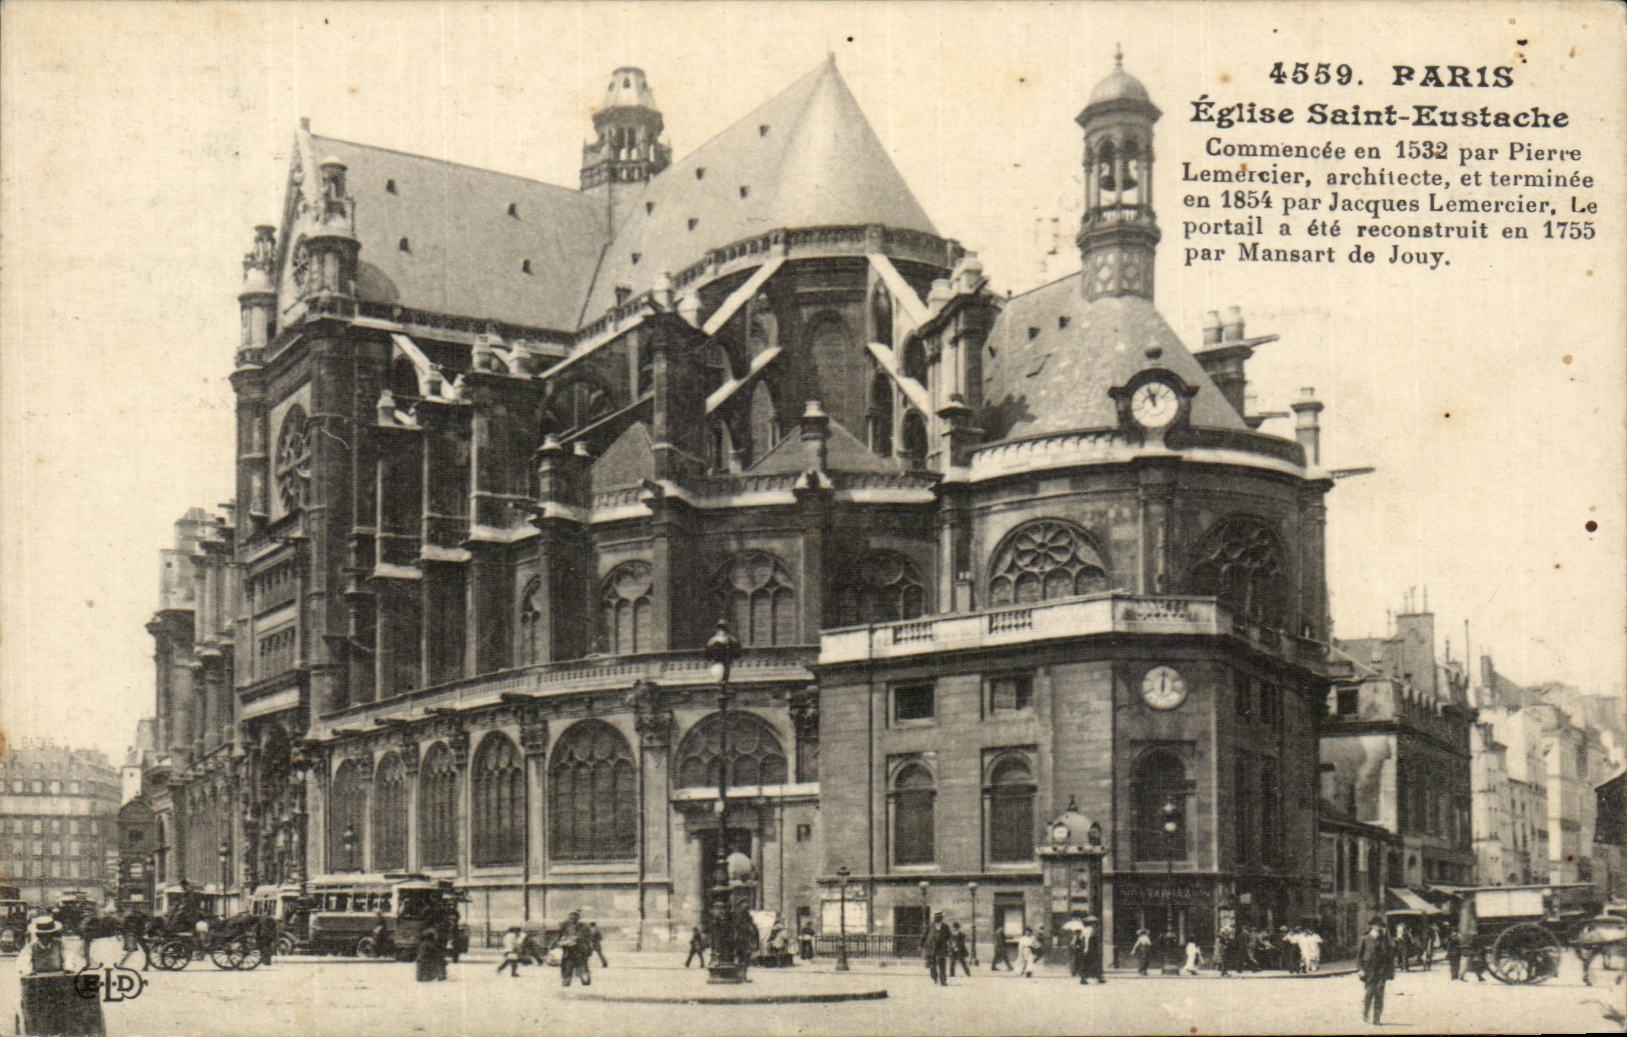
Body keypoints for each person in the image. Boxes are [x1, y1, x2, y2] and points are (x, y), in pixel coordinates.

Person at [1356, 916, 1396, 1025]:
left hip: (1381, 971)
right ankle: (1365, 1013)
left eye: (1379, 926)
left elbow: (1390, 956)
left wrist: (1390, 971)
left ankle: (1376, 1019)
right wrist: (1360, 969)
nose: (1378, 927)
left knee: (1379, 994)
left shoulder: (1385, 940)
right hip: (1368, 971)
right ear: (1372, 926)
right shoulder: (1365, 939)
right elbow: (1359, 956)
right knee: (1369, 993)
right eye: (1376, 925)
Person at [554, 910, 591, 987]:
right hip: (568, 951)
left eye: (575, 917)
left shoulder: (583, 927)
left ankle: (585, 979)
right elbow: (558, 937)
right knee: (567, 967)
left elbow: (586, 938)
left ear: (578, 918)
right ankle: (566, 980)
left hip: (579, 951)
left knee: (582, 967)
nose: (572, 918)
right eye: (571, 917)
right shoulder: (564, 926)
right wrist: (561, 941)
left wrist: (577, 939)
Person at [924, 912, 950, 986]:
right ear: (934, 918)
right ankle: (934, 977)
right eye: (936, 917)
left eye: (939, 917)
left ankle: (943, 981)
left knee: (942, 965)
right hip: (931, 947)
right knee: (932, 965)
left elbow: (949, 936)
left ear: (941, 918)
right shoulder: (930, 926)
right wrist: (921, 944)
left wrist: (945, 940)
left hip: (941, 948)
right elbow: (925, 935)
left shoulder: (945, 926)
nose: (937, 919)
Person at [1079, 916, 1105, 984]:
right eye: (1093, 923)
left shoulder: (1084, 929)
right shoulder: (1090, 929)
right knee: (1094, 963)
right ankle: (1098, 978)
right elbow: (1087, 940)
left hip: (1089, 948)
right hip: (1091, 949)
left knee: (1087, 963)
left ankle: (1086, 978)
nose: (1094, 924)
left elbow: (1081, 938)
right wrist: (1086, 948)